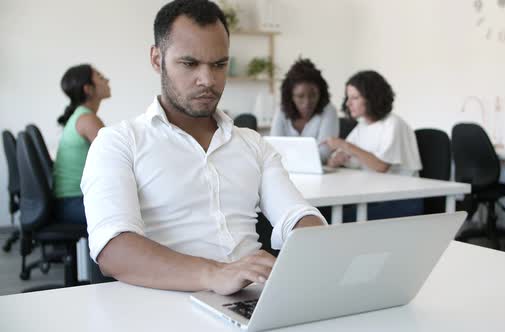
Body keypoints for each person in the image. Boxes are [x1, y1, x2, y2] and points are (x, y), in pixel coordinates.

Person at [81, 0, 326, 295]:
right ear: (157, 59)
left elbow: (296, 214)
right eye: (189, 63)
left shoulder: (252, 143)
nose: (208, 80)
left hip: (251, 300)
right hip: (165, 303)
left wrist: (318, 247)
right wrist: (216, 274)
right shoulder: (117, 143)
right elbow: (114, 250)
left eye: (219, 65)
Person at [324, 70, 423, 220]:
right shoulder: (362, 126)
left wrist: (346, 146)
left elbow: (381, 166)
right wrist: (335, 160)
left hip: (401, 200)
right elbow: (338, 159)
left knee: (332, 219)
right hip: (372, 196)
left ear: (372, 98)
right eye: (348, 98)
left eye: (355, 98)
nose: (348, 103)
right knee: (322, 214)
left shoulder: (393, 124)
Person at [52, 64, 109, 224]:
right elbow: (117, 156)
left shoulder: (81, 116)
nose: (107, 80)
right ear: (88, 89)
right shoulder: (87, 119)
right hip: (73, 203)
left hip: (68, 202)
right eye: (100, 77)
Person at [270, 58, 338, 163]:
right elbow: (273, 149)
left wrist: (290, 158)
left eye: (313, 95)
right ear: (290, 96)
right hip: (285, 172)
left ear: (321, 93)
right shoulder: (281, 111)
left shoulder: (329, 111)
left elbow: (324, 153)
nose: (307, 102)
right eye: (300, 96)